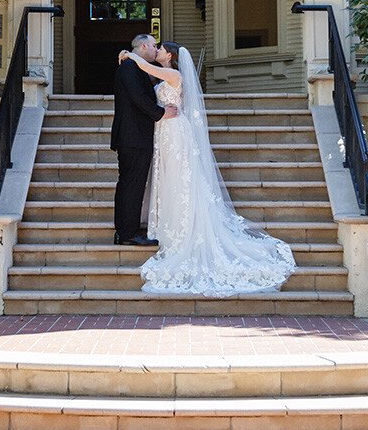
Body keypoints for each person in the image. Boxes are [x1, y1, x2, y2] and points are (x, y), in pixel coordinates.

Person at [119, 40, 296, 296]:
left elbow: (147, 67)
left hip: (175, 133)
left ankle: (183, 231)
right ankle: (170, 228)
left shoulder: (173, 74)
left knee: (181, 181)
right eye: (153, 47)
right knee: (169, 180)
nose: (156, 50)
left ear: (169, 55)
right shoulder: (163, 74)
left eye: (160, 49)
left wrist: (130, 55)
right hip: (164, 133)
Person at [110, 33, 178, 246]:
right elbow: (138, 98)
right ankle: (128, 233)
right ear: (145, 46)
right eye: (154, 45)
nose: (156, 48)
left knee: (131, 184)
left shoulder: (135, 66)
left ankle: (125, 230)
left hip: (134, 136)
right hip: (133, 137)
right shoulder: (130, 67)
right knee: (132, 184)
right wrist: (160, 113)